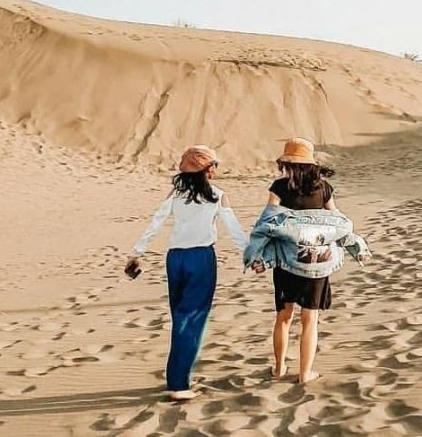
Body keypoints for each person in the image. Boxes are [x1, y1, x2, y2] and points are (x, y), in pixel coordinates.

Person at [128, 145, 248, 401]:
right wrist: (250, 256)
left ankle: (178, 377)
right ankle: (179, 384)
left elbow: (156, 222)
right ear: (207, 169)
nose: (216, 169)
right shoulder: (218, 195)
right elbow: (235, 231)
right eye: (214, 165)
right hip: (201, 259)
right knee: (191, 319)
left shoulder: (176, 193)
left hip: (175, 260)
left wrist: (137, 252)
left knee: (180, 318)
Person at [253, 137, 337, 384]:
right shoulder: (323, 188)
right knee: (310, 319)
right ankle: (305, 373)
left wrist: (259, 255)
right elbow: (337, 219)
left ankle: (279, 368)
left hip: (286, 259)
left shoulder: (279, 187)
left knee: (284, 315)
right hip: (314, 259)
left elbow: (267, 222)